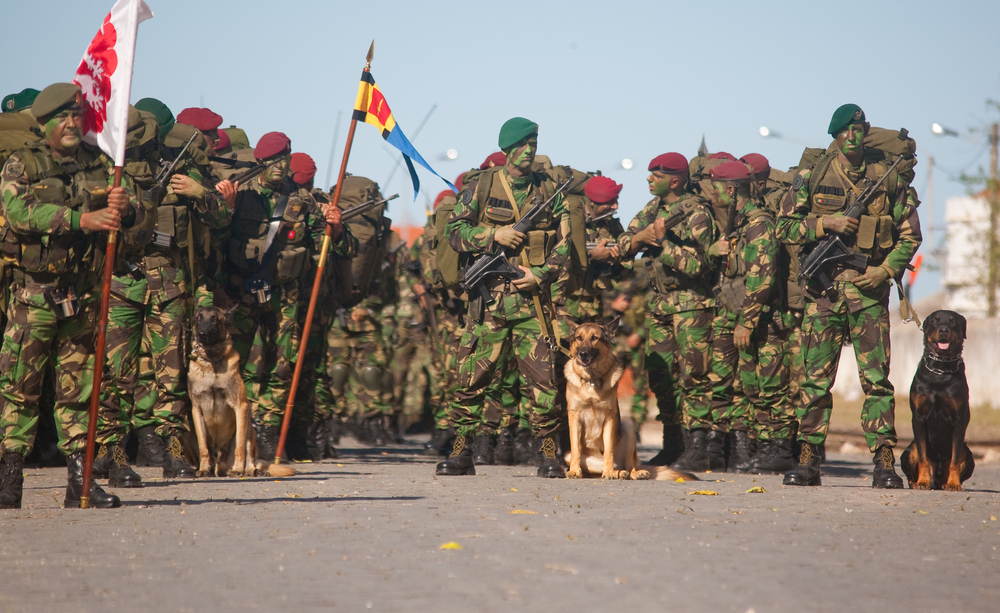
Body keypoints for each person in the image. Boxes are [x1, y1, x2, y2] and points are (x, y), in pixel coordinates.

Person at [0, 83, 140, 508]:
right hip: (33, 297)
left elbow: (133, 215)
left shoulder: (100, 165)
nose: (71, 123)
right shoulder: (21, 165)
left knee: (79, 392)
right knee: (19, 389)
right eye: (61, 117)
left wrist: (125, 205)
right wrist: (82, 218)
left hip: (81, 297)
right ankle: (9, 481)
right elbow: (19, 213)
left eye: (76, 115)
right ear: (43, 124)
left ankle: (80, 484)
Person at [777, 104, 921, 487]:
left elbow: (910, 236)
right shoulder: (814, 174)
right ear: (837, 136)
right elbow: (784, 227)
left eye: (861, 130)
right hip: (823, 292)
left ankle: (883, 460)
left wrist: (885, 270)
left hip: (868, 292)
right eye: (848, 131)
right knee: (814, 382)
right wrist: (826, 222)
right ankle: (808, 458)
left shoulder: (887, 177)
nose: (855, 136)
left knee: (877, 381)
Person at [437, 117, 572, 478]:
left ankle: (547, 454)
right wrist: (494, 235)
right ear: (507, 149)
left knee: (544, 382)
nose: (530, 150)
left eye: (534, 143)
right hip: (489, 302)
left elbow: (566, 245)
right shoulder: (481, 186)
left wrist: (539, 275)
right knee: (472, 380)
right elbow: (454, 232)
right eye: (523, 144)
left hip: (531, 304)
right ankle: (462, 452)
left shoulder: (549, 189)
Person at [222, 132, 353, 462]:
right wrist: (224, 208)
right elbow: (216, 238)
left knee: (282, 365)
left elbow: (342, 249)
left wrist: (336, 228)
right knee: (237, 365)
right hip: (242, 295)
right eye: (274, 160)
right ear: (260, 162)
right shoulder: (242, 194)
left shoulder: (303, 201)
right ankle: (233, 434)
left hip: (286, 296)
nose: (280, 166)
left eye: (285, 159)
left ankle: (267, 429)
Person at [617, 153, 717, 471]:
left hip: (691, 306)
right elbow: (625, 239)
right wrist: (637, 240)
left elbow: (700, 264)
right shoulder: (653, 209)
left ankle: (698, 447)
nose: (648, 179)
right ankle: (673, 443)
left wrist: (663, 243)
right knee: (661, 377)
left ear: (673, 181)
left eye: (654, 175)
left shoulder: (697, 213)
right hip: (659, 306)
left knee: (694, 377)